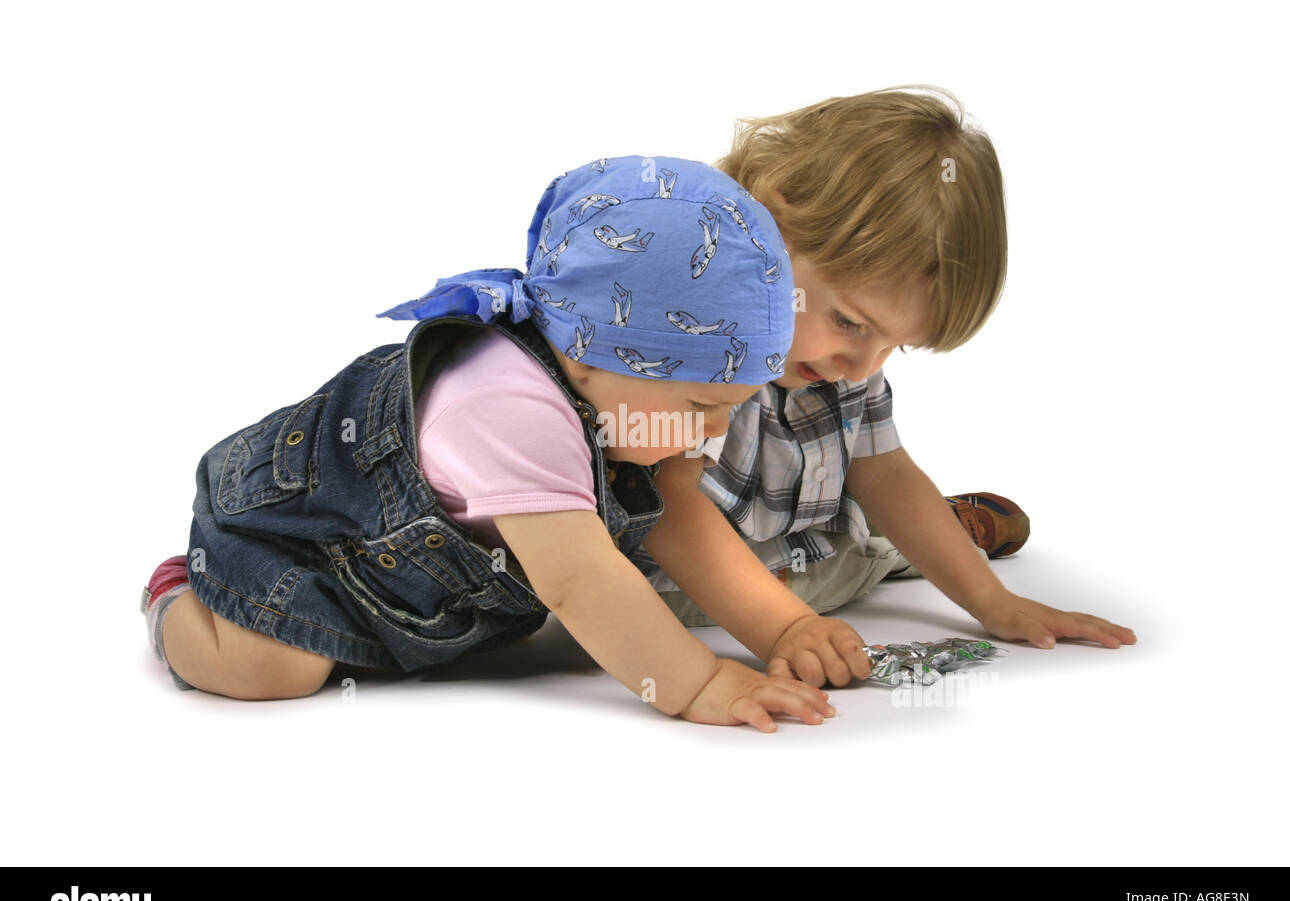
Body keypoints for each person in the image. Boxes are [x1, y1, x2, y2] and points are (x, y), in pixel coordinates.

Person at [140, 154, 838, 732]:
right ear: (598, 355)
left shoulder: (619, 402)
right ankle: (179, 594)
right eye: (703, 406)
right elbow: (578, 581)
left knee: (345, 657)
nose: (714, 435)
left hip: (404, 593)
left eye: (732, 410)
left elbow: (683, 531)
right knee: (274, 672)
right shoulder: (509, 406)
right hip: (288, 540)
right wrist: (697, 682)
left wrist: (784, 630)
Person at [638, 87, 1138, 688]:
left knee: (875, 518)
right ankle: (938, 530)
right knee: (868, 554)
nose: (861, 366)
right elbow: (667, 508)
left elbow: (886, 472)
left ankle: (938, 535)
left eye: (892, 345)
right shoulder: (691, 337)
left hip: (808, 540)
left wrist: (992, 602)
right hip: (694, 580)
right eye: (850, 323)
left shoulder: (839, 357)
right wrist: (785, 629)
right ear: (769, 229)